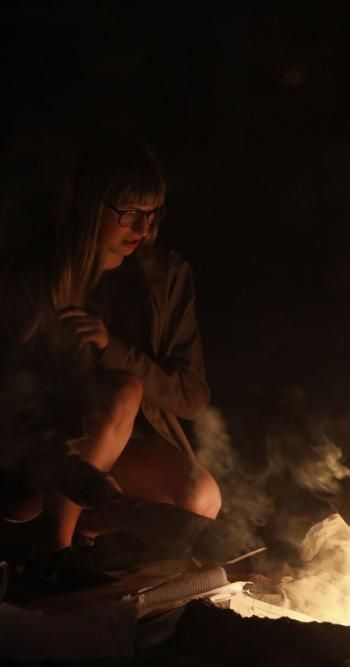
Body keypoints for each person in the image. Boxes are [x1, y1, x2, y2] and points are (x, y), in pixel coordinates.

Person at [0, 136, 221, 588]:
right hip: (41, 463)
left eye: (153, 212)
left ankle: (85, 534)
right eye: (128, 212)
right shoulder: (40, 280)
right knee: (123, 392)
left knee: (202, 497)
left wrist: (113, 347)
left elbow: (192, 397)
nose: (142, 227)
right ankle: (53, 555)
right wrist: (73, 471)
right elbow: (16, 410)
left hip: (110, 460)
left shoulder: (165, 279)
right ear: (89, 206)